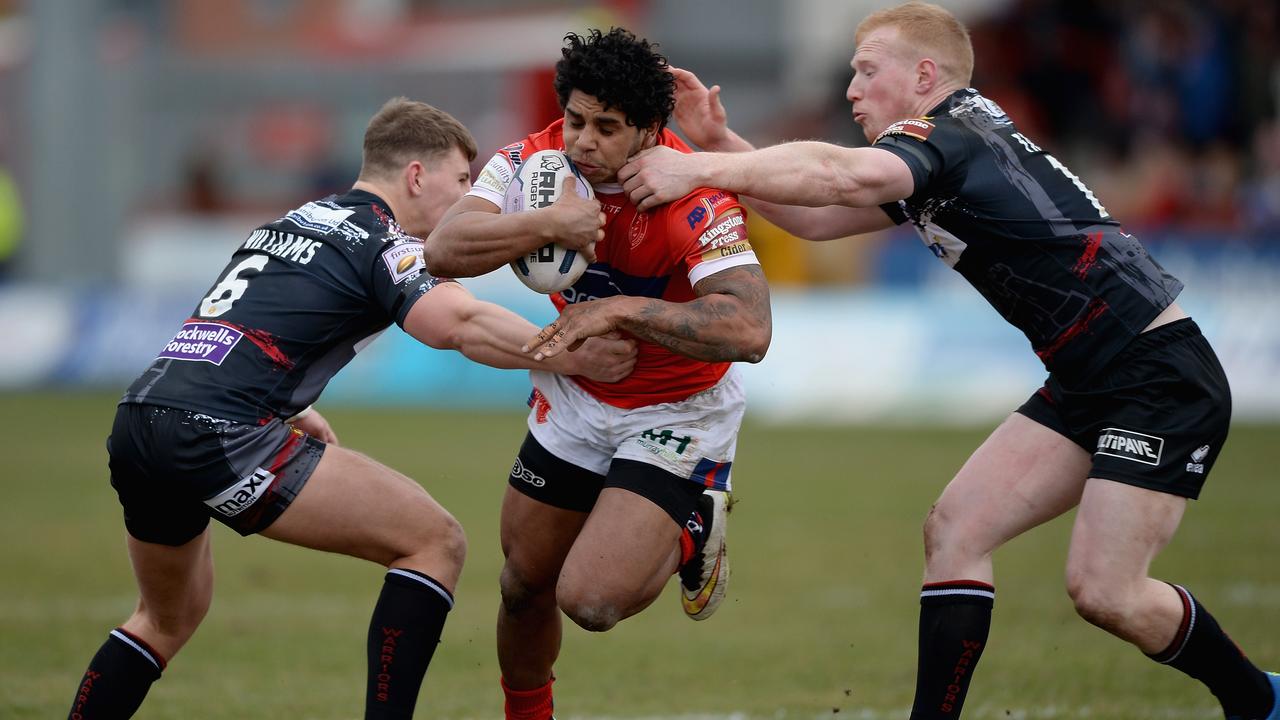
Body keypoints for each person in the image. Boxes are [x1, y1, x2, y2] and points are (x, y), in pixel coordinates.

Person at [618, 3, 1279, 719]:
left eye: (867, 70)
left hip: (1157, 374)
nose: (851, 90)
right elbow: (816, 217)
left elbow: (840, 176)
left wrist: (702, 167)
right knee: (956, 529)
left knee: (1106, 592)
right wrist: (721, 143)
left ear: (924, 75)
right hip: (1091, 375)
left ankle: (1259, 700)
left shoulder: (949, 132)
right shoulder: (942, 151)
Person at [66, 97, 637, 720]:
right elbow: (460, 324)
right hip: (217, 431)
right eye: (464, 181)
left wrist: (283, 407)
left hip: (143, 418)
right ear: (417, 176)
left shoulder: (292, 220)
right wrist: (570, 352)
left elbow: (234, 323)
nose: (474, 198)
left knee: (163, 619)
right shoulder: (382, 238)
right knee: (434, 542)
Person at [425, 27, 772, 719]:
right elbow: (442, 248)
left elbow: (750, 329)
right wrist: (544, 222)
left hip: (677, 412)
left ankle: (693, 523)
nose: (583, 140)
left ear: (648, 130)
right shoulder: (533, 162)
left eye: (607, 128)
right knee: (524, 584)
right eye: (576, 119)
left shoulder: (688, 191)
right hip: (576, 397)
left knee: (589, 601)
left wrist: (622, 311)